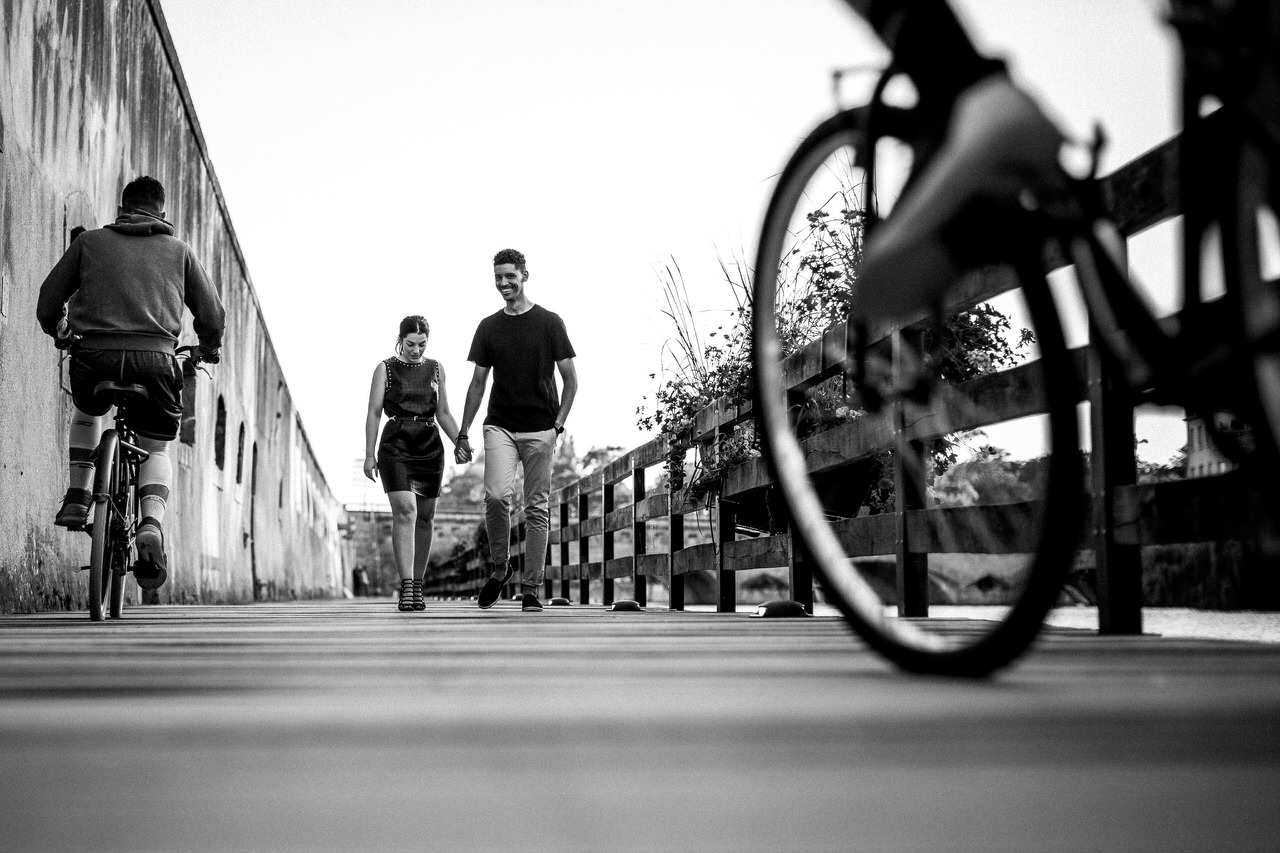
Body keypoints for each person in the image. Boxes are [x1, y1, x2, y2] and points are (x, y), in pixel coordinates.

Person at [36, 175, 225, 590]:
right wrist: (207, 349)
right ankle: (151, 523)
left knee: (87, 408)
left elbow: (48, 302)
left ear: (121, 207)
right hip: (155, 361)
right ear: (162, 212)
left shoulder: (89, 243)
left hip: (93, 357)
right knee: (156, 443)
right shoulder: (180, 252)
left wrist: (61, 330)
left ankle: (78, 494)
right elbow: (211, 318)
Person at [458, 248, 577, 612]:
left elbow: (570, 380)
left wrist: (557, 426)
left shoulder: (550, 322)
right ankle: (501, 567)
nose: (503, 283)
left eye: (510, 276)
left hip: (542, 428)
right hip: (500, 426)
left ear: (525, 275)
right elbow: (477, 383)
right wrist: (463, 432)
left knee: (536, 507)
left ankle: (530, 588)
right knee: (495, 496)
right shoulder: (488, 327)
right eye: (498, 278)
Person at [364, 315, 467, 612]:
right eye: (410, 344)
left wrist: (460, 439)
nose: (416, 349)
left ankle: (418, 585)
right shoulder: (385, 368)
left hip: (429, 445)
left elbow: (444, 411)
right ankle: (407, 586)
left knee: (425, 517)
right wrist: (370, 454)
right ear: (400, 340)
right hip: (396, 443)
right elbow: (373, 412)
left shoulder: (436, 369)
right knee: (406, 511)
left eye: (422, 344)